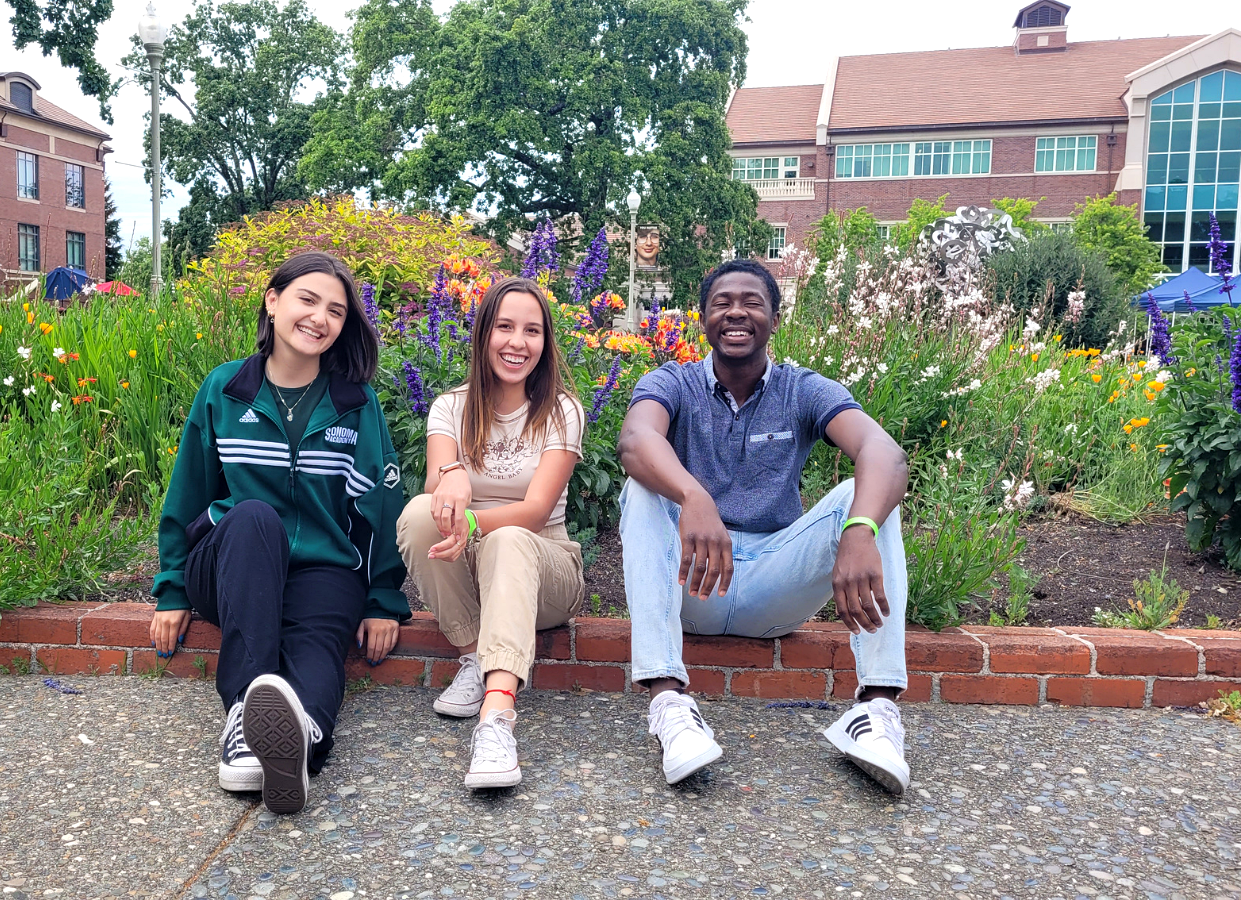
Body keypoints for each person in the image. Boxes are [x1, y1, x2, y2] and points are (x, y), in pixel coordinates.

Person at [617, 258, 913, 794]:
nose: (736, 312)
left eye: (752, 302)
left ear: (774, 318)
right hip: (693, 585)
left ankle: (875, 714)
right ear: (702, 318)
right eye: (722, 302)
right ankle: (668, 704)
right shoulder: (673, 382)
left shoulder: (801, 389)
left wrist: (859, 528)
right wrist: (692, 494)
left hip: (774, 586)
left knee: (864, 498)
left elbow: (884, 453)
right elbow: (636, 441)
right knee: (641, 486)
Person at [149, 251, 408, 815]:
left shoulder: (355, 404)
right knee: (255, 515)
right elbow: (187, 494)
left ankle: (303, 738)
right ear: (273, 301)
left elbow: (381, 507)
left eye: (336, 312)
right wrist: (172, 589)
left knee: (318, 648)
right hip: (231, 562)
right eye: (307, 300)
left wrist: (382, 598)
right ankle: (244, 715)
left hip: (322, 567)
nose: (320, 319)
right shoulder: (225, 389)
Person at [397, 276, 586, 790]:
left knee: (506, 539)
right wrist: (452, 475)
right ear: (483, 335)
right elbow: (437, 484)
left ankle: (497, 719)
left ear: (545, 344)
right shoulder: (451, 407)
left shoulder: (562, 411)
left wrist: (476, 521)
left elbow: (536, 508)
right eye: (504, 327)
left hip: (547, 568)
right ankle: (474, 656)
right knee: (417, 514)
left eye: (532, 331)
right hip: (474, 565)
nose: (517, 343)